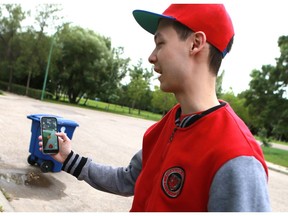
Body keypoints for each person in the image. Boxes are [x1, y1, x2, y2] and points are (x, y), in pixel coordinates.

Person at [39, 4, 271, 212]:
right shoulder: (170, 123)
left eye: (160, 43)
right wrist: (68, 158)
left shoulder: (237, 158)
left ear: (195, 43)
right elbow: (129, 179)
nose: (151, 57)